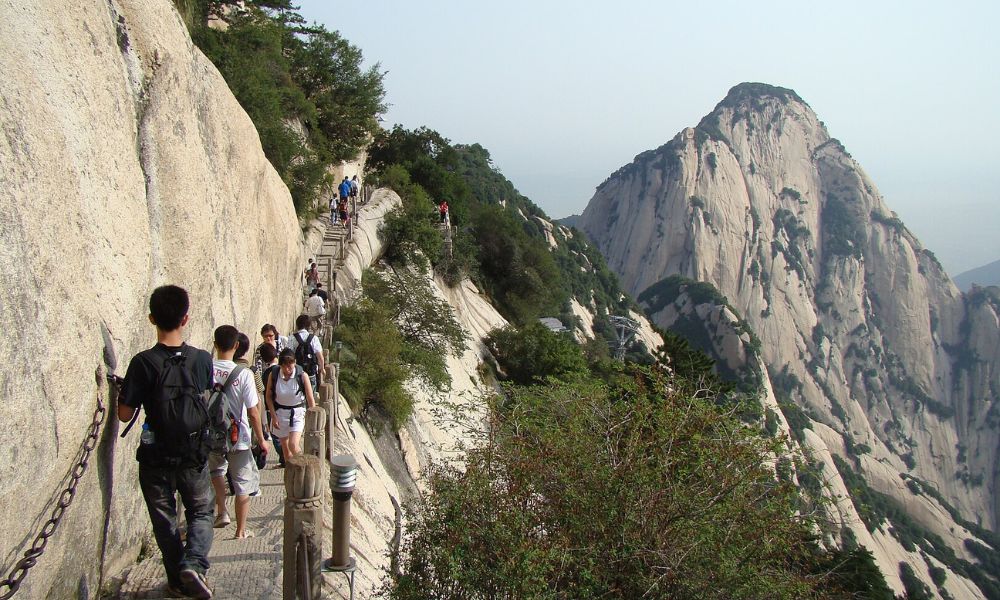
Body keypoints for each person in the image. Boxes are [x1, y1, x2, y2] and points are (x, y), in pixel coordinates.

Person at [118, 285, 216, 599]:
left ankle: (176, 580)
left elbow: (124, 414)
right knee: (201, 512)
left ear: (151, 318)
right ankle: (194, 563)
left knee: (165, 521)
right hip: (192, 454)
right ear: (185, 318)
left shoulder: (142, 363)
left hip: (155, 456)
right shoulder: (201, 359)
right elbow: (205, 397)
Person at [208, 326, 269, 540]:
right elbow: (253, 411)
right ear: (236, 346)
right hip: (237, 436)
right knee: (243, 483)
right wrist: (262, 439)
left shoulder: (205, 369)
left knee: (216, 472)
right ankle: (240, 530)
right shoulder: (244, 374)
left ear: (214, 344)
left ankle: (222, 510)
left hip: (211, 434)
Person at [265, 348, 316, 459]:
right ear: (280, 365)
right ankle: (291, 472)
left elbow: (310, 398)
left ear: (295, 362)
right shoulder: (273, 375)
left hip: (297, 413)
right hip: (280, 414)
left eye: (290, 365)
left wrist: (312, 418)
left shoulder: (302, 376)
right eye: (284, 366)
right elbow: (268, 396)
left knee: (293, 445)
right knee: (285, 449)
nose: (288, 369)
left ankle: (303, 466)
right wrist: (273, 416)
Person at [257, 343, 284, 467]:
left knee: (276, 437)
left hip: (272, 409)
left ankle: (284, 459)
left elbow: (264, 394)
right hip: (285, 407)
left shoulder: (267, 373)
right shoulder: (283, 369)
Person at [287, 314, 325, 388]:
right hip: (311, 373)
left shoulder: (291, 338)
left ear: (297, 325)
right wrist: (322, 368)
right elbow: (320, 357)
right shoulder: (314, 338)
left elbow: (288, 356)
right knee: (311, 396)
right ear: (309, 326)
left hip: (296, 373)